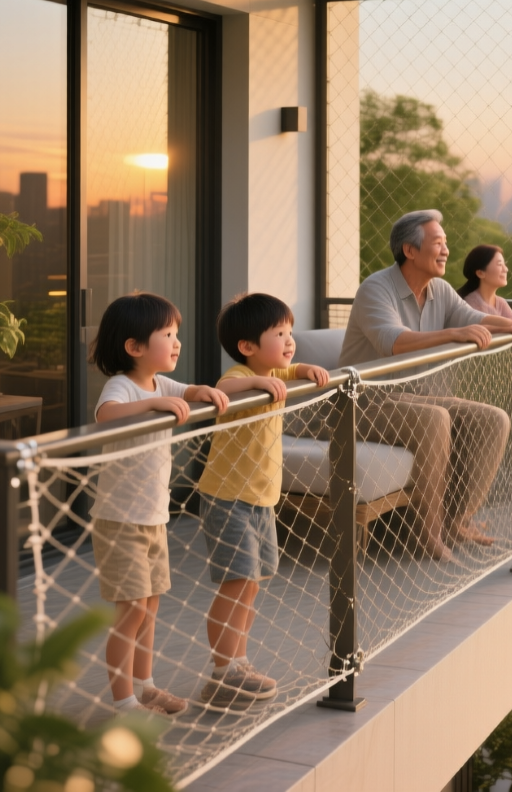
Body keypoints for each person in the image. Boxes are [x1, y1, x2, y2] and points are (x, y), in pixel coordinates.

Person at [339, 210, 512, 561]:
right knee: (436, 418)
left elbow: (471, 318)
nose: (446, 251)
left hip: (416, 398)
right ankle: (428, 533)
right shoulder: (376, 288)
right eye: (437, 243)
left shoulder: (439, 289)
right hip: (365, 402)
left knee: (494, 419)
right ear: (410, 251)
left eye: (445, 244)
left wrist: (508, 323)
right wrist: (454, 333)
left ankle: (458, 518)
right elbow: (391, 341)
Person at [90, 292, 230, 716]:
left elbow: (184, 389)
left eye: (177, 333)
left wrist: (201, 389)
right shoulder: (124, 385)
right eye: (167, 334)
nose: (176, 342)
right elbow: (106, 415)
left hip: (153, 517)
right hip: (119, 520)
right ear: (134, 347)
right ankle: (123, 700)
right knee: (131, 610)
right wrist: (151, 404)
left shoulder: (160, 382)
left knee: (150, 609)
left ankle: (146, 686)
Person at [198, 293, 330, 711]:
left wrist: (303, 368)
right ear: (248, 347)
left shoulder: (275, 369)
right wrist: (258, 382)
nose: (290, 340)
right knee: (235, 585)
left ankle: (239, 659)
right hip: (227, 498)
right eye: (279, 333)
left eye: (290, 332)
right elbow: (226, 387)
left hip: (260, 500)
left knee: (252, 585)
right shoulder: (239, 377)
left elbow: (289, 367)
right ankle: (222, 671)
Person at [457, 245, 512, 320]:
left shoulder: (501, 303)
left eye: (504, 264)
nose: (506, 269)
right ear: (480, 273)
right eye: (499, 264)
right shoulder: (470, 304)